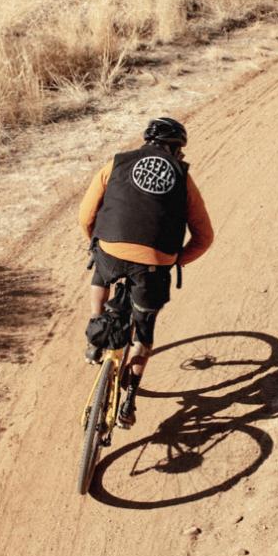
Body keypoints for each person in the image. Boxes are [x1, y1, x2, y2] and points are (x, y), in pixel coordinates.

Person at [78, 117, 214, 428]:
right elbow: (204, 238)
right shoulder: (182, 176)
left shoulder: (117, 163)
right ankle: (128, 402)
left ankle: (95, 334)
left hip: (110, 252)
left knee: (101, 269)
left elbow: (86, 215)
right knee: (143, 334)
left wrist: (98, 245)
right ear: (177, 149)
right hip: (154, 263)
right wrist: (174, 261)